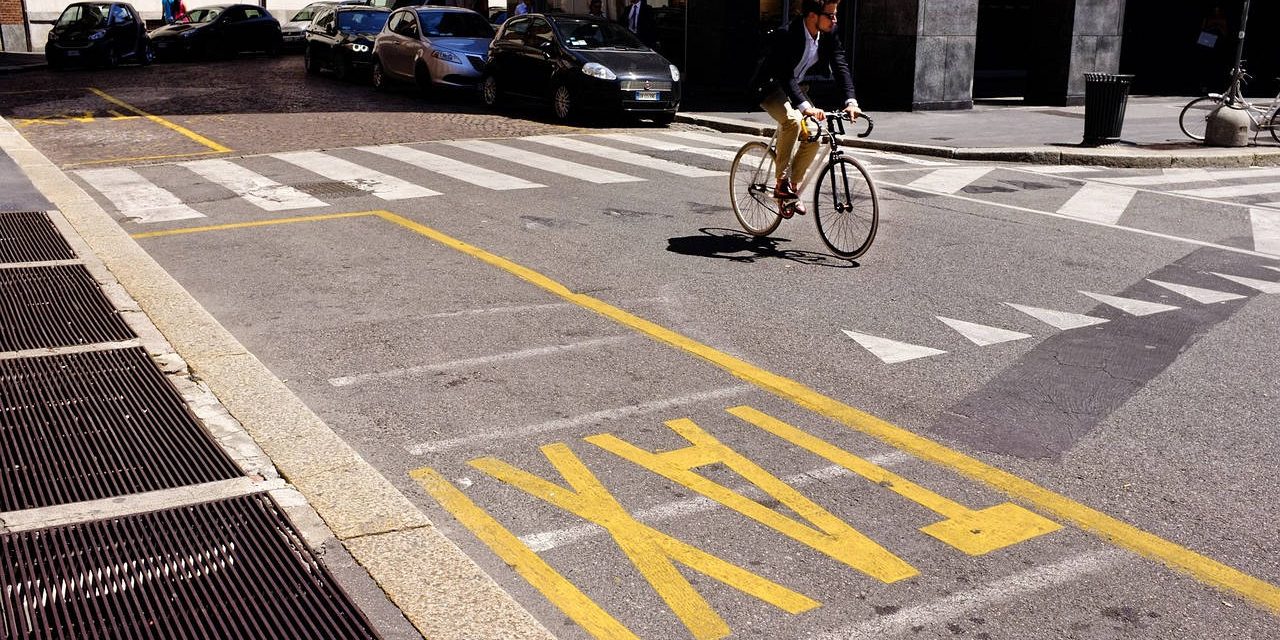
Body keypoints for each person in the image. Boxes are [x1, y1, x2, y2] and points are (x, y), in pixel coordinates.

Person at [749, 0, 859, 218]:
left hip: (796, 88)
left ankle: (792, 188)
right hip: (771, 87)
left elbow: (840, 64)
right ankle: (781, 183)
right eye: (830, 15)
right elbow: (785, 75)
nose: (835, 20)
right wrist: (806, 107)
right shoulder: (787, 34)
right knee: (791, 121)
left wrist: (851, 101)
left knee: (815, 134)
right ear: (812, 15)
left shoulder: (829, 32)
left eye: (835, 15)